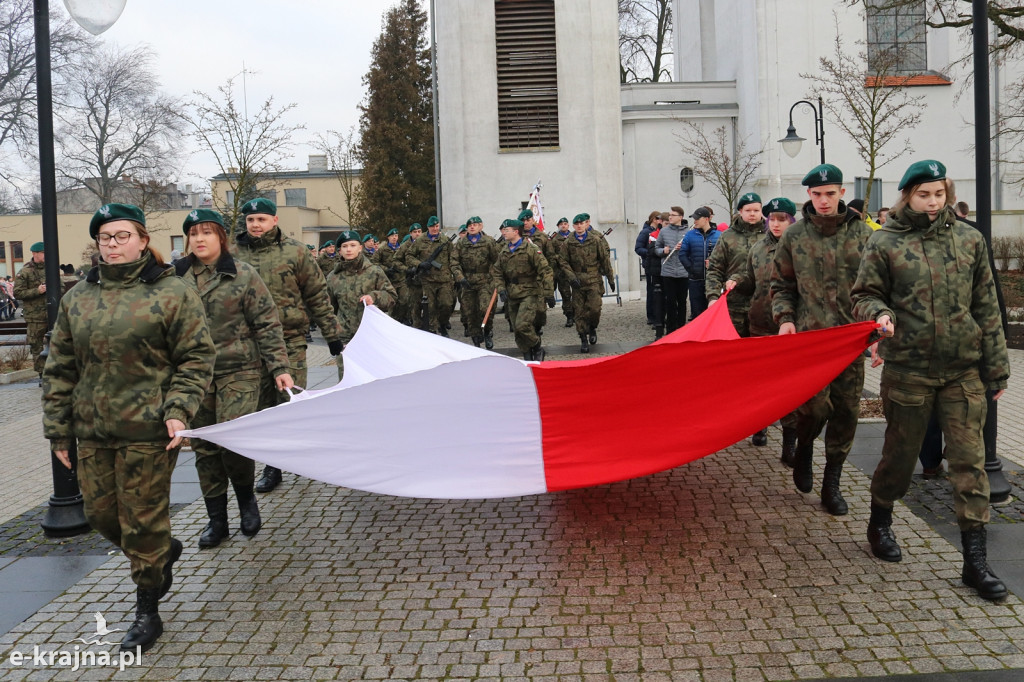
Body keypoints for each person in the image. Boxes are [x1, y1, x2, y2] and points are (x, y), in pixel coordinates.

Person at [43, 203, 215, 651]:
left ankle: (147, 610)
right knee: (101, 515)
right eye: (105, 238)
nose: (112, 244)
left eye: (122, 236)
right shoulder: (77, 296)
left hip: (150, 429)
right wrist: (59, 430)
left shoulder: (172, 291)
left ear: (142, 240)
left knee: (140, 520)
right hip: (93, 429)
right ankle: (162, 551)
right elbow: (60, 367)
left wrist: (179, 408)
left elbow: (196, 358)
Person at [852, 160, 1010, 600]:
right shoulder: (885, 241)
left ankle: (975, 563)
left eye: (939, 193)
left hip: (963, 370)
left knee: (970, 465)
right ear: (907, 196)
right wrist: (879, 315)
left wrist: (996, 366)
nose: (933, 201)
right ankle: (880, 520)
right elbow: (864, 295)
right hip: (909, 370)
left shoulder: (968, 238)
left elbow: (987, 305)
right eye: (924, 194)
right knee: (900, 458)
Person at [175, 209, 293, 549]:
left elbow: (267, 323)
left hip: (240, 369)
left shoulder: (242, 274)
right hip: (194, 375)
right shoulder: (174, 277)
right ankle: (217, 520)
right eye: (193, 233)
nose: (199, 239)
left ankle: (246, 501)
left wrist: (279, 367)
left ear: (221, 238)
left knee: (233, 437)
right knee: (205, 448)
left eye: (207, 233)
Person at [771, 164, 874, 516]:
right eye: (817, 194)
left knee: (846, 412)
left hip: (850, 340)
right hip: (810, 340)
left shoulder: (863, 235)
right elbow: (782, 285)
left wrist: (875, 333)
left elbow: (876, 289)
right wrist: (785, 319)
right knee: (814, 407)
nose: (824, 200)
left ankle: (833, 481)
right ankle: (804, 449)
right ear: (808, 196)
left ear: (842, 193)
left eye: (830, 193)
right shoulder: (794, 236)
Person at [233, 197, 344, 493]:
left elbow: (317, 294)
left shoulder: (295, 252)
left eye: (261, 219)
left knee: (288, 402)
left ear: (274, 220)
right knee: (259, 406)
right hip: (247, 343)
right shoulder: (232, 253)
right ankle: (270, 460)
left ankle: (275, 466)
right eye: (250, 220)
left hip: (289, 340)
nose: (255, 225)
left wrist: (332, 335)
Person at [725, 197, 798, 455]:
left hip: (790, 327)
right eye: (773, 219)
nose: (776, 224)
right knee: (762, 381)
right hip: (760, 324)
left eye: (782, 219)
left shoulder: (800, 247)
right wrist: (735, 281)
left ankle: (790, 438)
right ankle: (760, 425)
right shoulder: (757, 248)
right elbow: (750, 280)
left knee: (788, 385)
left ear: (792, 220)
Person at [326, 230, 396, 380]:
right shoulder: (333, 277)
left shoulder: (374, 272)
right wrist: (333, 338)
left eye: (352, 245)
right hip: (345, 339)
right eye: (344, 246)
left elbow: (391, 297)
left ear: (360, 248)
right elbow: (328, 310)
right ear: (340, 250)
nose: (349, 249)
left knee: (373, 379)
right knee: (347, 380)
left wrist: (374, 297)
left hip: (371, 336)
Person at [490, 219, 554, 361]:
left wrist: (549, 293)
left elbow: (546, 270)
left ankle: (537, 346)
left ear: (516, 231)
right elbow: (497, 271)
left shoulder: (531, 249)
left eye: (507, 230)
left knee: (522, 325)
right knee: (516, 329)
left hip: (529, 292)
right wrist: (501, 288)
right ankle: (527, 355)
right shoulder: (504, 251)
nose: (504, 233)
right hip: (512, 294)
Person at [706, 193, 765, 338]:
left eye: (756, 211)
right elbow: (715, 269)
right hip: (734, 306)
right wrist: (712, 297)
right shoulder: (727, 236)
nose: (752, 214)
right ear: (740, 211)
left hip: (763, 305)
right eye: (748, 210)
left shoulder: (770, 235)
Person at [564, 213, 614, 352]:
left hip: (593, 279)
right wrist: (571, 276)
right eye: (577, 224)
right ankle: (583, 339)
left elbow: (604, 259)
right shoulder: (568, 242)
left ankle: (592, 327)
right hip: (578, 281)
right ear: (573, 226)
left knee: (595, 308)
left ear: (586, 224)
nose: (579, 226)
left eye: (582, 223)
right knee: (579, 312)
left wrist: (610, 278)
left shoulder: (595, 240)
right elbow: (563, 261)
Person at [452, 216, 500, 348]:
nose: (472, 227)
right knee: (470, 312)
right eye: (470, 225)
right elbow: (454, 263)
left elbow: (497, 261)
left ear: (481, 226)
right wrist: (460, 278)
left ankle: (487, 331)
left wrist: (496, 279)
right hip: (467, 282)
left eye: (475, 224)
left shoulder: (489, 241)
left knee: (486, 309)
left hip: (485, 281)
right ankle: (476, 338)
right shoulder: (461, 244)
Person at [403, 215, 456, 336]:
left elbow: (453, 258)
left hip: (444, 279)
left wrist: (455, 275)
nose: (435, 229)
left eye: (437, 226)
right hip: (428, 280)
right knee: (430, 307)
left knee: (446, 304)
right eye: (433, 226)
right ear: (428, 227)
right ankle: (433, 330)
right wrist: (420, 264)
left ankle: (443, 323)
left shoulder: (445, 240)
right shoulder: (421, 240)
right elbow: (409, 256)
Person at [13, 242, 48, 381]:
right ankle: (42, 374)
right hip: (35, 316)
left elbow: (61, 286)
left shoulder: (51, 268)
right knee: (36, 345)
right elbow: (18, 293)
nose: (46, 255)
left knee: (59, 345)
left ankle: (56, 373)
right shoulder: (25, 272)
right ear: (35, 254)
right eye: (44, 253)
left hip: (52, 314)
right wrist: (37, 291)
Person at [678, 207, 720, 321]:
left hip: (714, 282)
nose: (695, 221)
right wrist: (691, 269)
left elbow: (725, 257)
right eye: (694, 218)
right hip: (695, 280)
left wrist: (715, 264)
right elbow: (682, 254)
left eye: (697, 218)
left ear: (706, 219)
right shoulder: (690, 235)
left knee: (713, 314)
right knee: (697, 313)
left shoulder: (719, 235)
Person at [654, 207, 690, 332]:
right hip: (668, 271)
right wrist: (663, 251)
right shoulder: (664, 231)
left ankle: (681, 328)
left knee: (682, 302)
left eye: (673, 215)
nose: (670, 217)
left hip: (683, 272)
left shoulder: (689, 232)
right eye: (670, 215)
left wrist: (684, 247)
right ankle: (670, 330)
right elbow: (656, 248)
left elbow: (692, 250)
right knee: (670, 302)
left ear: (681, 217)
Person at [372, 228, 406, 322]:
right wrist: (386, 269)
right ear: (388, 237)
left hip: (402, 279)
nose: (394, 238)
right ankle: (393, 321)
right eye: (392, 236)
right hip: (389, 280)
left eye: (396, 236)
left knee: (404, 301)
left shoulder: (402, 248)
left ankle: (401, 319)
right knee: (392, 303)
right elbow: (374, 262)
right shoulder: (382, 249)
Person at [396, 223, 426, 328]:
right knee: (415, 307)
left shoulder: (427, 243)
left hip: (428, 280)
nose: (417, 234)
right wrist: (407, 270)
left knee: (432, 306)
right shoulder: (405, 246)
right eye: (415, 232)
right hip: (413, 282)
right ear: (410, 233)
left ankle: (432, 329)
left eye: (419, 232)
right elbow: (396, 261)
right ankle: (417, 328)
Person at [635, 210, 662, 327]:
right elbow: (638, 248)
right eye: (659, 219)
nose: (661, 221)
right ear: (654, 220)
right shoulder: (645, 232)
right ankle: (650, 315)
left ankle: (659, 313)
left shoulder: (660, 231)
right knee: (651, 291)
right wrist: (651, 253)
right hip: (650, 265)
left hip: (660, 265)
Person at [551, 217, 576, 327]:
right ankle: (569, 316)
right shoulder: (555, 239)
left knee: (577, 294)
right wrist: (560, 258)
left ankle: (578, 313)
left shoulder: (574, 236)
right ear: (558, 226)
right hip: (561, 272)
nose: (563, 225)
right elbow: (551, 254)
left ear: (568, 225)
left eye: (565, 223)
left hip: (574, 270)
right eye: (561, 224)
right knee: (566, 294)